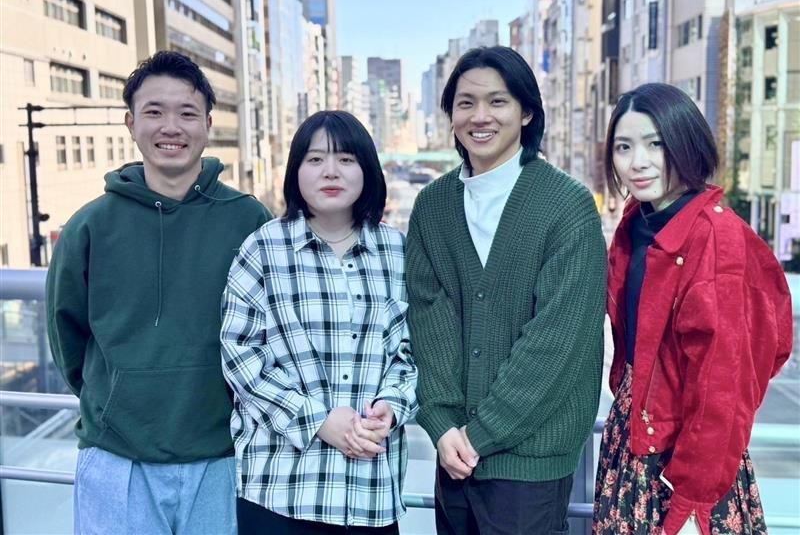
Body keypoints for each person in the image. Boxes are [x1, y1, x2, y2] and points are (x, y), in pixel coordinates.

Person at [46, 51, 271, 534]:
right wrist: (116, 397)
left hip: (225, 454)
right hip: (116, 456)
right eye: (154, 112)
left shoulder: (250, 220)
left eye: (187, 113)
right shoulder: (89, 226)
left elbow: (275, 330)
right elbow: (67, 335)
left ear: (208, 125)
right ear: (131, 123)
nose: (171, 127)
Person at [406, 45, 607, 534]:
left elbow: (558, 342)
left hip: (530, 461)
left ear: (526, 112)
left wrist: (480, 434)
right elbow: (428, 322)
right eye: (466, 103)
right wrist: (442, 425)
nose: (480, 116)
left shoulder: (567, 206)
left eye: (498, 102)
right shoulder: (432, 206)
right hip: (454, 455)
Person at [593, 83, 793, 535]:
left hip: (689, 465)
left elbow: (727, 383)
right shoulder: (635, 225)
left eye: (655, 144)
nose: (638, 162)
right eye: (624, 147)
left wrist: (692, 500)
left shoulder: (716, 237)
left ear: (686, 143)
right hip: (632, 442)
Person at [220, 110, 418, 535]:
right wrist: (317, 421)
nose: (331, 171)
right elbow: (241, 357)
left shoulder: (398, 252)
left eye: (346, 159)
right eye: (315, 159)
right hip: (280, 490)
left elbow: (413, 352)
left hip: (369, 493)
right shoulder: (263, 249)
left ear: (368, 170)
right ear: (295, 171)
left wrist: (391, 407)